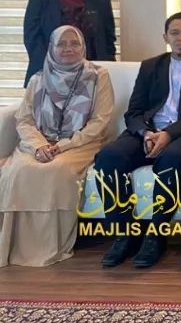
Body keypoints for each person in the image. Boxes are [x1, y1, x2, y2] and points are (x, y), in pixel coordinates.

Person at [93, 12, 181, 269]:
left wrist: (169, 134)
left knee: (172, 159)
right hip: (148, 131)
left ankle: (156, 235)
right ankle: (124, 234)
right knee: (108, 158)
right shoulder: (150, 66)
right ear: (165, 37)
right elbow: (133, 111)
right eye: (175, 33)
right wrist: (146, 133)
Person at [0, 26, 114, 267]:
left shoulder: (97, 76)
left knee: (55, 169)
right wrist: (39, 145)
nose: (68, 49)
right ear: (51, 48)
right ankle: (14, 245)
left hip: (80, 144)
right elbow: (24, 119)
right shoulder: (38, 79)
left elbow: (100, 121)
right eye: (61, 44)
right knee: (18, 171)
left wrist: (63, 146)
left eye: (74, 43)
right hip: (39, 143)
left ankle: (47, 246)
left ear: (83, 46)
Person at [23, 0, 116, 86]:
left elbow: (108, 39)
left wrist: (107, 69)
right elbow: (32, 37)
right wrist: (51, 70)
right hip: (48, 76)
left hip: (92, 77)